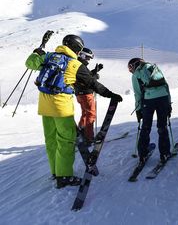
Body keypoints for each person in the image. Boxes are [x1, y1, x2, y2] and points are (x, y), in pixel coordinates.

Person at [25, 35, 123, 189]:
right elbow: (93, 83)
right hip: (61, 108)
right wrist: (111, 94)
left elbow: (30, 63)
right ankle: (64, 176)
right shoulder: (75, 64)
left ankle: (55, 172)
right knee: (66, 141)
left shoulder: (49, 56)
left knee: (51, 140)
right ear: (76, 48)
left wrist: (38, 52)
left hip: (44, 106)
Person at [128, 57, 172, 164]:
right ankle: (165, 153)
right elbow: (166, 85)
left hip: (148, 100)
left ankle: (143, 154)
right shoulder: (155, 68)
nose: (130, 71)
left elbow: (137, 94)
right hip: (163, 98)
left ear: (134, 65)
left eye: (130, 68)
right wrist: (169, 104)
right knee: (162, 126)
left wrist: (138, 110)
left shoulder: (136, 75)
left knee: (146, 127)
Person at [75, 47, 120, 143]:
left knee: (85, 113)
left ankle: (81, 133)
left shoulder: (77, 65)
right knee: (91, 114)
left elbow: (84, 77)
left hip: (80, 94)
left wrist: (95, 71)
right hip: (86, 94)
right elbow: (88, 81)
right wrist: (110, 94)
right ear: (81, 55)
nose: (88, 60)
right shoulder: (80, 65)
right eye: (87, 57)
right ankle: (89, 138)